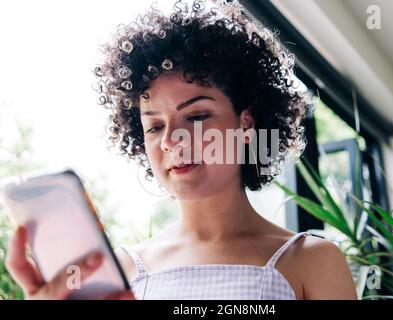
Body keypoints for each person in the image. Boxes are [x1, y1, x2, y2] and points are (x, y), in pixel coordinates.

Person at [6, 0, 357, 300]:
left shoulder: (312, 260)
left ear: (246, 123)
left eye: (198, 116)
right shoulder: (121, 271)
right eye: (155, 126)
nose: (172, 139)